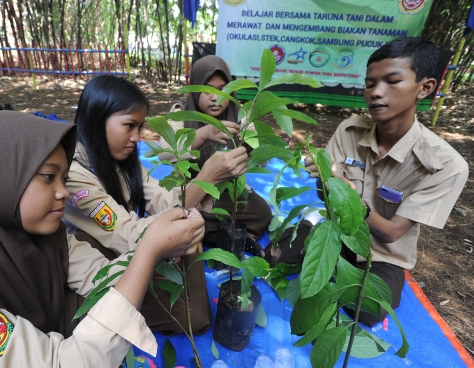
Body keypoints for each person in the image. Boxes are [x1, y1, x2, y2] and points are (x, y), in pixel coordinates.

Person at [0, 111, 204, 367]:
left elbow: (98, 273)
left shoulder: (38, 234)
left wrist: (155, 253)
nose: (64, 192)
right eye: (49, 177)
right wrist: (148, 252)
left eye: (63, 178)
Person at [266, 37, 468, 326]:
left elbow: (392, 233)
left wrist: (350, 199)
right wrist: (326, 179)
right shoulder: (349, 131)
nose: (376, 93)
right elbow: (328, 195)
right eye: (370, 83)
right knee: (275, 258)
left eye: (392, 81)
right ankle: (312, 231)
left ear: (425, 87)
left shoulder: (446, 166)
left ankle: (324, 258)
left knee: (369, 309)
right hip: (337, 232)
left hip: (383, 254)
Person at [63, 75, 246, 334]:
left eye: (139, 127)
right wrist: (205, 178)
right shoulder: (75, 177)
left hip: (130, 247)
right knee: (192, 315)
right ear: (96, 119)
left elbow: (164, 201)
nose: (137, 137)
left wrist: (204, 183)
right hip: (104, 260)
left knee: (191, 239)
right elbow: (126, 234)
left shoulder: (122, 160)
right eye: (129, 126)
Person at [158, 55, 273, 253]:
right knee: (173, 215)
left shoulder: (240, 114)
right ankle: (226, 235)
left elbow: (261, 160)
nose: (216, 97)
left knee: (262, 214)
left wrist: (252, 145)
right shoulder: (181, 112)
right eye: (207, 90)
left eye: (223, 90)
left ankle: (213, 235)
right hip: (191, 192)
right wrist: (203, 134)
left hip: (227, 192)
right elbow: (165, 153)